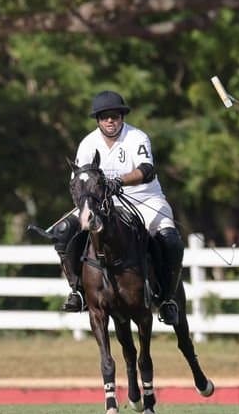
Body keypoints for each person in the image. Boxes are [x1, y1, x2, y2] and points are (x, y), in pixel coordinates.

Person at [51, 91, 182, 325]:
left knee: (170, 240)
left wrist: (119, 181)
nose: (110, 121)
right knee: (62, 232)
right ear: (98, 120)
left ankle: (167, 299)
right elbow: (79, 181)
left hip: (144, 199)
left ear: (122, 117)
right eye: (104, 117)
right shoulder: (88, 143)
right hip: (103, 203)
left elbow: (146, 170)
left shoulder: (136, 137)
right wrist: (86, 204)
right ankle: (77, 291)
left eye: (115, 116)